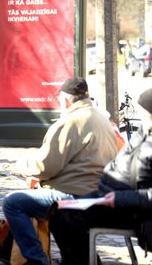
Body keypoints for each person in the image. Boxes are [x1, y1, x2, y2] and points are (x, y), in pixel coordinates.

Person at [0, 77, 119, 265]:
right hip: (97, 191)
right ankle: (8, 249)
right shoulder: (100, 118)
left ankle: (37, 259)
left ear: (67, 99)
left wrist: (22, 166)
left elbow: (45, 166)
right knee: (32, 196)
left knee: (13, 202)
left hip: (76, 195)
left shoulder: (71, 121)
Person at [49, 87, 152, 265]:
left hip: (136, 211)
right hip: (111, 197)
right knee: (58, 210)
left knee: (67, 217)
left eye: (146, 114)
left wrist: (119, 198)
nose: (143, 118)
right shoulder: (145, 132)